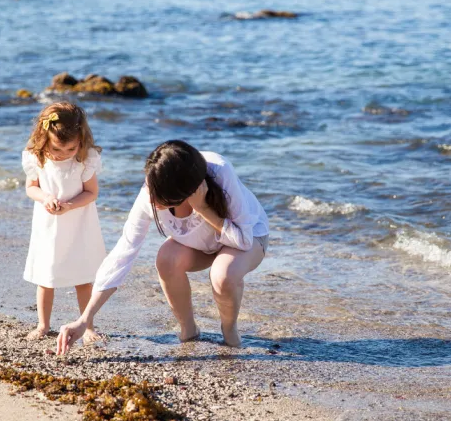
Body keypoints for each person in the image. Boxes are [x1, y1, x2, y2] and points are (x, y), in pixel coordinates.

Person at [57, 139, 268, 352]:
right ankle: (189, 331)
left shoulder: (219, 172)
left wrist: (203, 207)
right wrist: (84, 319)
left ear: (188, 192)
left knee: (222, 274)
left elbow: (244, 240)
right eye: (153, 194)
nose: (155, 203)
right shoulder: (151, 191)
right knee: (166, 258)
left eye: (164, 201)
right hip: (199, 246)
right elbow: (123, 254)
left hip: (246, 239)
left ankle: (229, 330)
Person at [22, 101, 105, 340]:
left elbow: (92, 193)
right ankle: (43, 325)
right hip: (49, 225)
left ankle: (87, 325)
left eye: (71, 149)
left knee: (83, 277)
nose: (64, 155)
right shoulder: (36, 157)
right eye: (58, 150)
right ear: (44, 138)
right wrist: (46, 197)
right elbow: (31, 188)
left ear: (81, 139)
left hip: (79, 223)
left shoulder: (84, 158)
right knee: (46, 277)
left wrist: (70, 205)